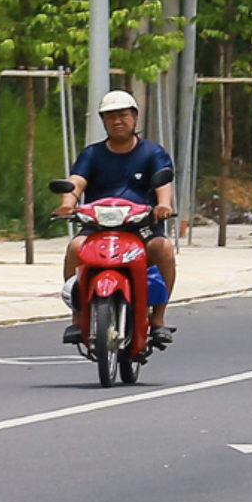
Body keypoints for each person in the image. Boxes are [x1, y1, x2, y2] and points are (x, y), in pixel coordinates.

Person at [59, 90, 177, 348]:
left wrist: (164, 205)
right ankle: (78, 317)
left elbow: (164, 181)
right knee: (75, 248)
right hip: (98, 224)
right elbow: (77, 181)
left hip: (141, 224)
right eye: (110, 116)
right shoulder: (92, 154)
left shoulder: (152, 152)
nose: (117, 121)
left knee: (164, 249)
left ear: (134, 117)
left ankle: (158, 319)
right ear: (103, 121)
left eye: (123, 115)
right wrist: (68, 203)